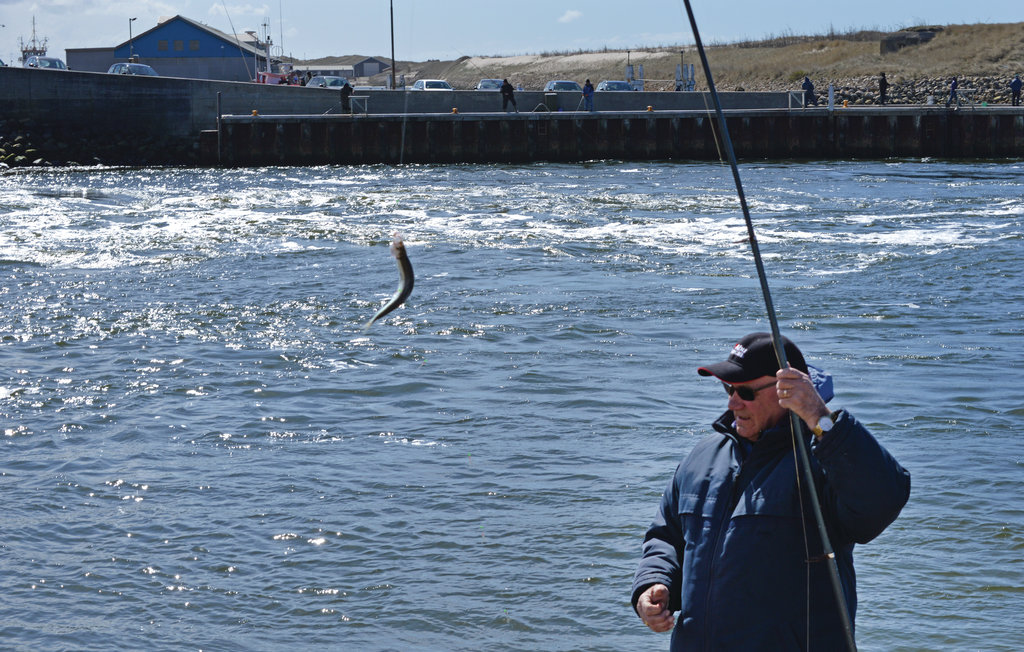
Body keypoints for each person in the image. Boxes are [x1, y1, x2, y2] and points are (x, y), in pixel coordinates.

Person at [632, 332, 910, 651]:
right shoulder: (702, 457)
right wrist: (655, 582)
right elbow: (667, 536)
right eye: (729, 389)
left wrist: (822, 419)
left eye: (746, 391)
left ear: (788, 390)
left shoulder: (823, 458)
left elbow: (883, 500)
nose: (732, 402)